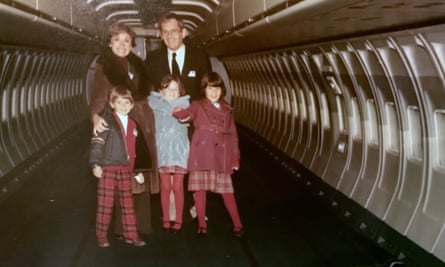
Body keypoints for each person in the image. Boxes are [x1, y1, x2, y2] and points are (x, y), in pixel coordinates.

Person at [90, 22, 157, 235]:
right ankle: (124, 228)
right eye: (117, 40)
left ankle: (142, 227)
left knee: (141, 173)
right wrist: (94, 116)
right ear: (110, 43)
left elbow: (149, 93)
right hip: (119, 123)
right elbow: (100, 95)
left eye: (126, 40)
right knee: (122, 172)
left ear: (132, 44)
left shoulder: (137, 65)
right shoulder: (105, 67)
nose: (121, 44)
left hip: (143, 122)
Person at [173, 72, 243, 238]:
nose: (214, 92)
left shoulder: (227, 110)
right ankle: (202, 225)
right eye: (210, 88)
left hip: (222, 156)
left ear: (222, 90)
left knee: (227, 192)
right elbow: (188, 114)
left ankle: (238, 224)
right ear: (204, 89)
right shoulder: (198, 105)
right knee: (200, 191)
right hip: (202, 154)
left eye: (217, 88)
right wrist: (180, 113)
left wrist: (235, 158)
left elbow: (233, 136)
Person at [89, 87, 146, 247]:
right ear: (112, 104)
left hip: (126, 169)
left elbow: (136, 150)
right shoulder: (106, 120)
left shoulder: (134, 125)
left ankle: (131, 235)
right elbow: (97, 143)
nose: (123, 106)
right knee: (105, 205)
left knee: (128, 204)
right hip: (108, 168)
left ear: (132, 105)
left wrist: (137, 171)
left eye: (127, 102)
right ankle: (101, 236)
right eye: (119, 102)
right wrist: (95, 164)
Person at [148, 74, 190, 232]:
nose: (172, 92)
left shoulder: (185, 106)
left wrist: (185, 116)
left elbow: (189, 118)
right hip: (162, 150)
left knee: (178, 186)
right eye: (168, 89)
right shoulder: (154, 105)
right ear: (161, 91)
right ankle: (166, 217)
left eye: (175, 89)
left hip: (179, 150)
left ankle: (178, 218)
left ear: (181, 91)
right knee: (165, 186)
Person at [145, 12, 211, 101]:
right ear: (161, 36)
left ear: (183, 33)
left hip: (193, 112)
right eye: (165, 32)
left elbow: (207, 89)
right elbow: (146, 89)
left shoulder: (200, 57)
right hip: (163, 112)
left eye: (173, 31)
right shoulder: (152, 59)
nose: (169, 36)